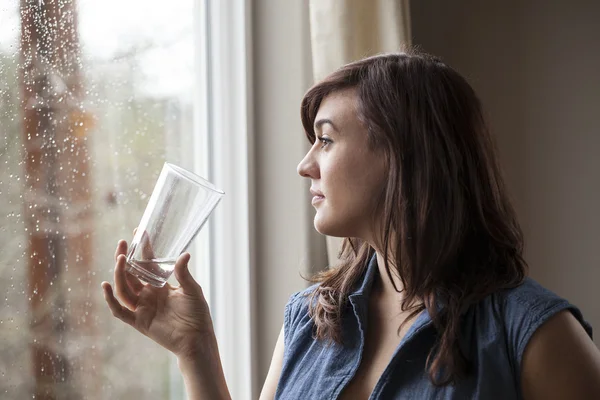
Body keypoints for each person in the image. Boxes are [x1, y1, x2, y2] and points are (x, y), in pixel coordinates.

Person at [102, 50, 600, 399]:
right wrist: (195, 350)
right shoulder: (310, 318)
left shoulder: (536, 335)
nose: (305, 165)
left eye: (326, 139)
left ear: (404, 154)